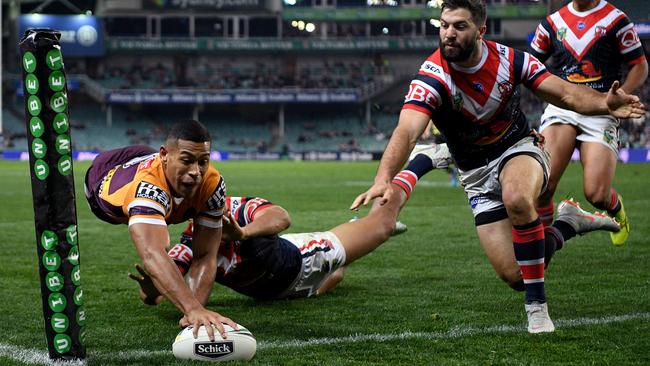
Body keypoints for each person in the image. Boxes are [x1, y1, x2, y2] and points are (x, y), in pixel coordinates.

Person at [350, 0, 643, 333]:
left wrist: (605, 102)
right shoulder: (432, 77)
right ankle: (568, 224)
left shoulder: (510, 60)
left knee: (518, 197)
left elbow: (567, 94)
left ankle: (537, 310)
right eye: (444, 25)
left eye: (459, 26)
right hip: (475, 174)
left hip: (518, 148)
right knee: (517, 275)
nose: (448, 34)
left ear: (480, 31)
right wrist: (383, 177)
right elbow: (407, 129)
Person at [84, 120, 236, 341]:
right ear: (165, 155)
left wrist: (194, 312)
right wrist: (192, 309)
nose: (196, 172)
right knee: (157, 237)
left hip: (150, 161)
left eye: (203, 161)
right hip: (104, 171)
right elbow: (153, 254)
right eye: (187, 161)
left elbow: (205, 256)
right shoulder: (147, 189)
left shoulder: (212, 183)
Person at [129, 188, 408, 303]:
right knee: (336, 274)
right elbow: (161, 287)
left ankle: (419, 162)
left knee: (381, 225)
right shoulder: (190, 242)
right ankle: (353, 230)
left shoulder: (236, 208)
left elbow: (281, 217)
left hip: (307, 257)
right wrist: (153, 291)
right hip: (281, 293)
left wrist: (242, 233)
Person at [529, 0, 648, 245]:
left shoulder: (617, 20)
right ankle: (539, 253)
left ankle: (617, 213)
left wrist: (619, 96)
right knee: (542, 186)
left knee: (597, 194)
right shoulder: (551, 24)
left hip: (602, 109)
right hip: (563, 107)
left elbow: (640, 66)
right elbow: (529, 67)